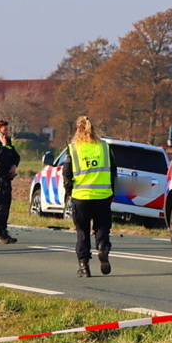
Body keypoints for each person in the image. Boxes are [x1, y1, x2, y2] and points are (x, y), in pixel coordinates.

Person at [62, 116, 116, 278]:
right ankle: (103, 248)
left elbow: (66, 174)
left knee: (82, 231)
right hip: (103, 195)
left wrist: (69, 191)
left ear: (78, 130)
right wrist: (112, 190)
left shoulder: (73, 149)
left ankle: (84, 267)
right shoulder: (104, 147)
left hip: (81, 196)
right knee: (102, 227)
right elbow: (114, 171)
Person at [0, 119, 20, 244]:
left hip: (6, 176)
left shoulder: (8, 141)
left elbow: (15, 156)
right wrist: (4, 145)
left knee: (6, 204)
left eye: (7, 129)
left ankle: (4, 231)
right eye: (4, 130)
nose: (6, 132)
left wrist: (14, 165)